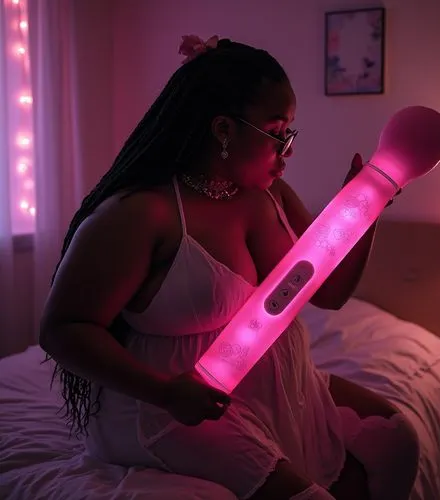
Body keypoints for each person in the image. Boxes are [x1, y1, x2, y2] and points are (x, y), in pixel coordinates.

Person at [39, 35, 419, 500]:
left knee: (398, 438)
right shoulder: (142, 214)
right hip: (170, 404)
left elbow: (330, 293)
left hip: (273, 383)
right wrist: (165, 393)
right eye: (278, 133)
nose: (289, 149)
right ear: (223, 130)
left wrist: (365, 207)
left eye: (291, 133)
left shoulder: (270, 195)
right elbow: (63, 329)